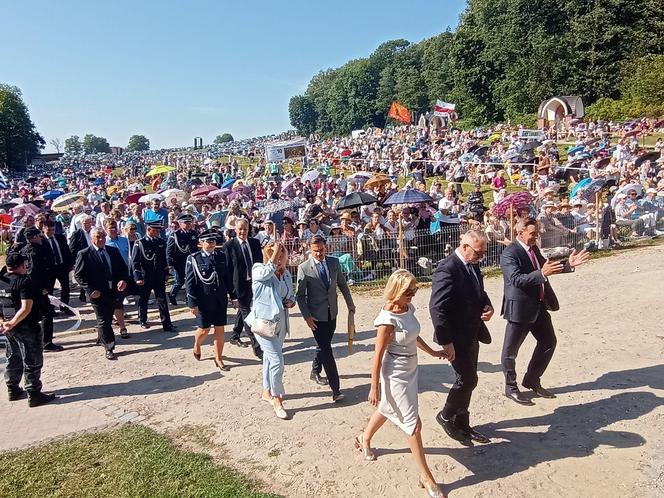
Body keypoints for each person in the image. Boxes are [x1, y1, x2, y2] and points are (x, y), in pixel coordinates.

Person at [358, 270, 446, 498]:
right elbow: (377, 355)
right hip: (394, 373)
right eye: (409, 291)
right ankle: (426, 476)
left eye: (415, 291)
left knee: (388, 408)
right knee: (413, 424)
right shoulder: (387, 319)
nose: (413, 295)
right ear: (396, 290)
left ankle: (364, 438)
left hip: (411, 370)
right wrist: (374, 386)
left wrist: (433, 352)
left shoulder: (408, 308)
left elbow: (414, 336)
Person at [500, 218, 589, 404]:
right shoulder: (510, 253)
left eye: (537, 233)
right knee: (510, 351)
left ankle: (532, 379)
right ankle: (510, 387)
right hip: (520, 308)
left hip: (538, 306)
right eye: (532, 233)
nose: (535, 237)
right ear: (520, 232)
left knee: (549, 342)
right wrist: (541, 274)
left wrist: (568, 265)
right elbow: (516, 280)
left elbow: (547, 268)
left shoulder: (534, 250)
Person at [428, 229, 495, 446]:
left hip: (472, 332)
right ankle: (446, 416)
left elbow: (478, 292)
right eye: (477, 252)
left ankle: (463, 423)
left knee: (469, 378)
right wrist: (446, 341)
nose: (481, 257)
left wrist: (488, 306)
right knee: (467, 379)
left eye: (483, 252)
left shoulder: (473, 264)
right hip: (455, 337)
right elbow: (437, 308)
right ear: (464, 246)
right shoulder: (447, 269)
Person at [296, 234, 355, 402]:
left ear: (325, 247)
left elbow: (342, 284)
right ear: (310, 250)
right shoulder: (304, 268)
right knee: (327, 351)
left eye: (321, 250)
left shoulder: (334, 263)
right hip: (315, 318)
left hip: (332, 314)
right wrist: (307, 316)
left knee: (324, 345)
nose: (319, 254)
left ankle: (315, 371)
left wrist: (350, 304)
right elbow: (300, 296)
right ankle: (335, 389)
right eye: (315, 251)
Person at [246, 241, 295, 420]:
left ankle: (266, 391)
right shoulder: (259, 269)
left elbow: (290, 294)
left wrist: (291, 301)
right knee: (277, 361)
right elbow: (267, 271)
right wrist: (274, 254)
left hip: (281, 323)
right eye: (278, 256)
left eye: (283, 256)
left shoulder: (286, 274)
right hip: (263, 324)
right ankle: (277, 398)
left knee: (269, 358)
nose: (281, 260)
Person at [1, 253, 56, 407]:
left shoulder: (2, 279)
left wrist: (5, 322)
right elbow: (26, 308)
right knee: (32, 360)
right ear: (22, 265)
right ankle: (34, 393)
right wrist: (12, 322)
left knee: (13, 356)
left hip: (9, 326)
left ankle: (12, 388)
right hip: (26, 326)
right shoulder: (24, 281)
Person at [74, 227, 129, 360]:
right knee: (103, 320)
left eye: (103, 236)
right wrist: (90, 290)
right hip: (97, 293)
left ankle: (101, 337)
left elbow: (123, 269)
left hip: (113, 291)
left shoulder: (113, 251)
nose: (101, 239)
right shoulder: (85, 254)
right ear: (92, 238)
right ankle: (109, 347)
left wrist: (123, 280)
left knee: (108, 318)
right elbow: (78, 275)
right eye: (98, 237)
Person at [185, 229, 235, 372]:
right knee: (204, 329)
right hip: (203, 300)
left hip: (219, 299)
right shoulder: (194, 258)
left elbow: (227, 278)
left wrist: (233, 296)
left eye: (213, 241)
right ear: (201, 243)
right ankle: (197, 344)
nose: (212, 244)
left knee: (220, 329)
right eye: (208, 241)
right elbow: (190, 282)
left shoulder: (221, 256)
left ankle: (218, 358)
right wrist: (192, 303)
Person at [224, 218, 263, 359]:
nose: (242, 232)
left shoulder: (254, 243)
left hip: (254, 284)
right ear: (235, 229)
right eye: (240, 229)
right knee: (248, 316)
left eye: (245, 229)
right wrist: (231, 294)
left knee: (243, 309)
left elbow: (260, 263)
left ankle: (235, 335)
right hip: (238, 286)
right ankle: (257, 347)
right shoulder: (229, 246)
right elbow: (228, 271)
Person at [20, 227, 63, 352]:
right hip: (37, 290)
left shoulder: (28, 249)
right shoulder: (33, 252)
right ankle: (46, 342)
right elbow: (33, 273)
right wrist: (42, 288)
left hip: (34, 288)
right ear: (33, 238)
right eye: (39, 236)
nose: (41, 237)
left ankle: (37, 340)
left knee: (35, 315)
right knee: (46, 314)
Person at [131, 220, 176, 332]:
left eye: (158, 230)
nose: (157, 232)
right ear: (149, 230)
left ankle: (167, 323)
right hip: (145, 276)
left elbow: (164, 261)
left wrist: (167, 275)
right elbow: (135, 262)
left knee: (162, 300)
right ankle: (142, 319)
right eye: (155, 230)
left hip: (159, 276)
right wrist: (138, 277)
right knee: (144, 299)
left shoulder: (161, 242)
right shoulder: (140, 243)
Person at [166, 213, 199, 305]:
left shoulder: (193, 233)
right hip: (179, 262)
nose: (188, 225)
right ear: (180, 223)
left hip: (191, 260)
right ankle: (172, 294)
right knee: (180, 281)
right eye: (186, 223)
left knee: (191, 280)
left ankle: (189, 298)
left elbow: (197, 246)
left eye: (189, 222)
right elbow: (169, 250)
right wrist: (170, 264)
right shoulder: (175, 235)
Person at [43, 221, 74, 314]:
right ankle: (51, 309)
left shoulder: (60, 237)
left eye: (53, 230)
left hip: (62, 266)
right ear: (44, 229)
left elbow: (67, 251)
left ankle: (64, 307)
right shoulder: (42, 240)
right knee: (50, 289)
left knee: (65, 287)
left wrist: (70, 263)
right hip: (49, 269)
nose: (51, 232)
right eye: (49, 230)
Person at [68, 214, 93, 303]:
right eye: (85, 223)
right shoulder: (77, 234)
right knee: (84, 277)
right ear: (81, 224)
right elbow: (72, 249)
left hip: (94, 257)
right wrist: (74, 262)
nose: (87, 225)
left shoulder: (94, 231)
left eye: (89, 223)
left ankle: (88, 294)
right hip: (82, 259)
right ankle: (84, 295)